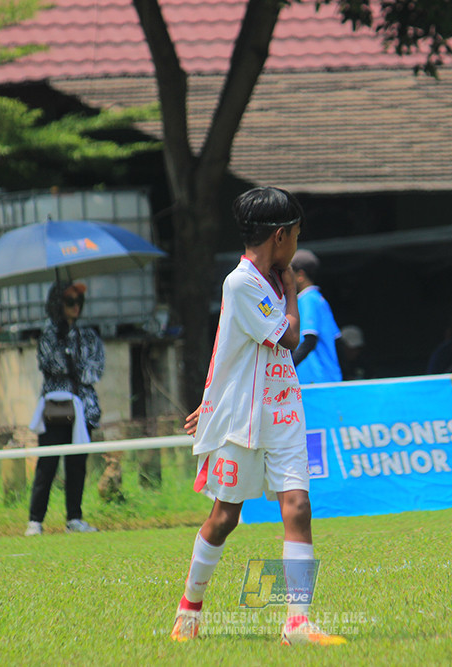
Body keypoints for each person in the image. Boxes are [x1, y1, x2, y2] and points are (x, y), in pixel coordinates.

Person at [170, 186, 346, 646]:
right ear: (282, 235)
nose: (295, 246)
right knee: (224, 517)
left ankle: (297, 623)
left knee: (299, 507)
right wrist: (290, 290)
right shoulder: (242, 282)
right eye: (296, 235)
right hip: (243, 419)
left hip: (284, 410)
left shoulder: (265, 276)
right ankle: (189, 608)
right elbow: (288, 338)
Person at [26, 281, 104, 536]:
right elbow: (51, 364)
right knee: (47, 463)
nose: (76, 307)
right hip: (55, 409)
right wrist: (71, 362)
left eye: (79, 301)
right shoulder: (48, 335)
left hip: (83, 409)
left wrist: (73, 363)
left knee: (77, 465)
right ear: (58, 305)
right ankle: (35, 520)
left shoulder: (88, 335)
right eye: (70, 302)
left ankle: (74, 517)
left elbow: (94, 369)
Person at [290, 249, 342, 384]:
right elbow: (337, 340)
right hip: (327, 377)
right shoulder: (320, 300)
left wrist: (288, 368)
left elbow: (309, 341)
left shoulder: (308, 299)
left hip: (317, 378)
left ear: (300, 275)